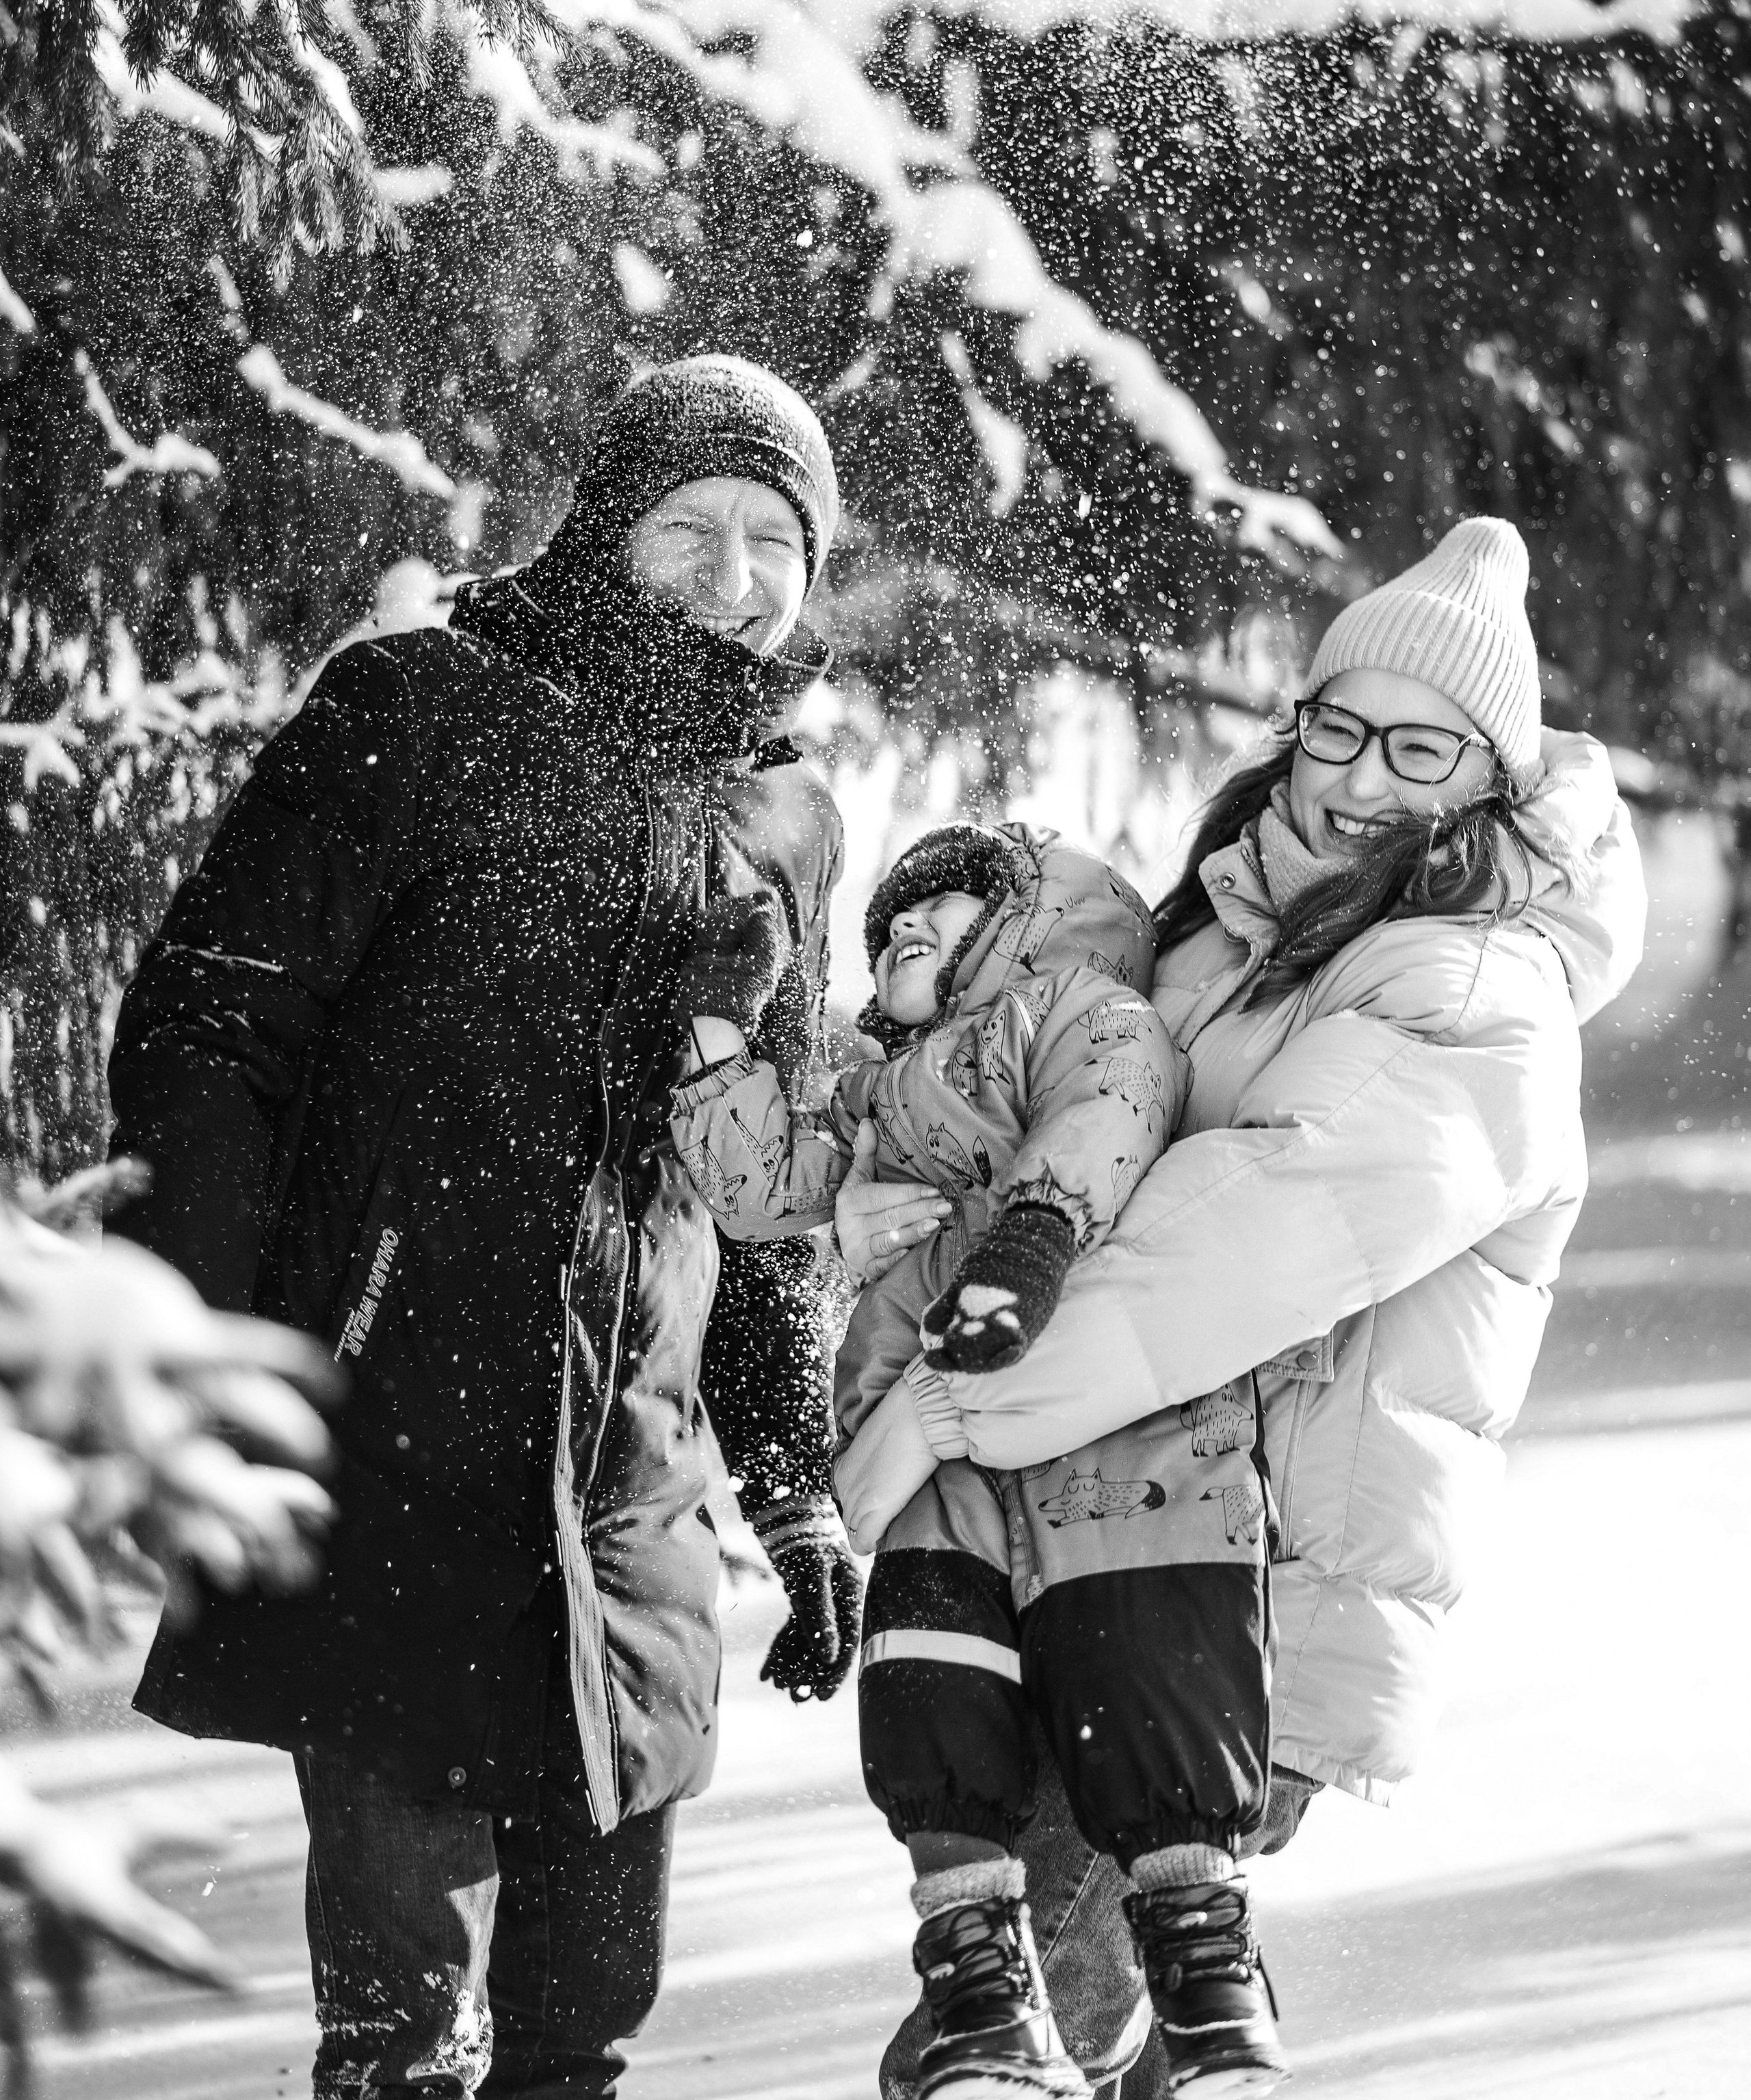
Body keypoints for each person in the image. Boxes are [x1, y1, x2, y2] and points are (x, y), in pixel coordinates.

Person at [106, 354, 860, 2099]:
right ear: (607, 525)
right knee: (401, 2030)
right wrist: (207, 1349)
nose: (735, 576)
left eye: (774, 541)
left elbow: (764, 1185)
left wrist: (791, 1473)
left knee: (584, 2020)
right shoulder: (421, 709)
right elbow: (214, 1034)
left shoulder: (784, 817)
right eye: (691, 527)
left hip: (631, 1488)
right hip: (387, 1443)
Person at [838, 517, 1647, 2099]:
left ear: (1484, 778)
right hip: (1113, 1544)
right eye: (1335, 727)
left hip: (1238, 1591)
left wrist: (927, 1415)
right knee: (1097, 2039)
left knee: (989, 2049)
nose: (1355, 777)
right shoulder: (1233, 931)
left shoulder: (1471, 998)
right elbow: (1073, 1127)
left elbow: (1201, 1268)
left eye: (1417, 748)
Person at [672, 823, 1287, 2096]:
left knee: (1149, 1686)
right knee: (934, 1711)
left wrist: (1033, 1241)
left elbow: (1114, 1100)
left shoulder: (1071, 1003)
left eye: (939, 906)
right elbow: (760, 1184)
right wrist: (721, 1035)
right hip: (937, 1468)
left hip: (1115, 1439)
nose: (901, 923)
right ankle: (979, 1985)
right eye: (886, 918)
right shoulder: (872, 1086)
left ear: (1017, 918)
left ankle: (1205, 1976)